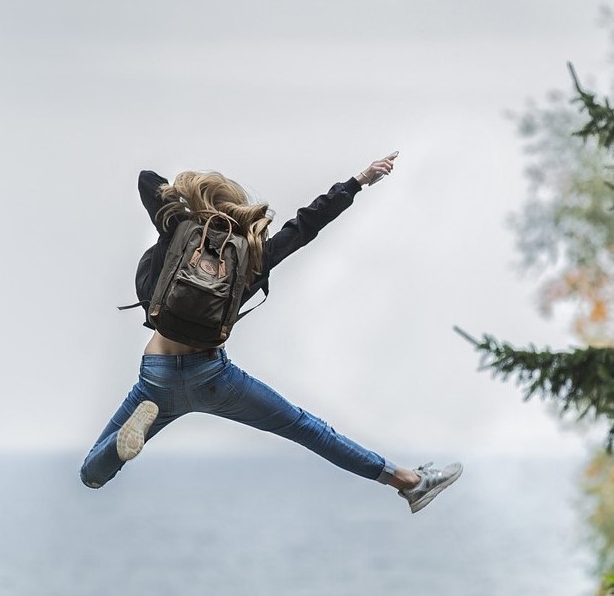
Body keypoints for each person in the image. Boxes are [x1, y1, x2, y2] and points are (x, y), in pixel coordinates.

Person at [80, 155, 462, 513]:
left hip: (157, 377)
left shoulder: (177, 230)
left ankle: (119, 446)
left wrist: (190, 207)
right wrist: (358, 182)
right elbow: (305, 226)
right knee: (307, 429)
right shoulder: (251, 255)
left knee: (91, 475)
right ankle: (407, 482)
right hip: (212, 377)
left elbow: (148, 180)